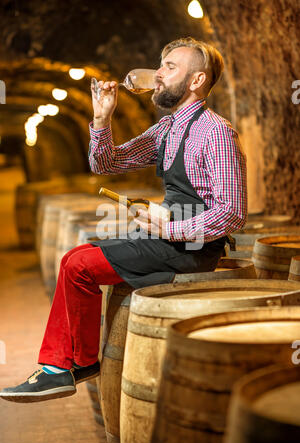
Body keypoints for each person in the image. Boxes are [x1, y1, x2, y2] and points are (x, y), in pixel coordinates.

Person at [0, 37, 247, 403]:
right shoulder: (168, 128)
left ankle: (64, 367)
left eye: (170, 68)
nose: (158, 75)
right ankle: (74, 364)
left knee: (79, 265)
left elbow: (233, 212)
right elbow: (108, 164)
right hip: (169, 239)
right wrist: (102, 118)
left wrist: (170, 227)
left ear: (196, 81)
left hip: (191, 248)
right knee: (73, 260)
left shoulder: (216, 132)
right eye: (159, 67)